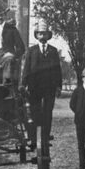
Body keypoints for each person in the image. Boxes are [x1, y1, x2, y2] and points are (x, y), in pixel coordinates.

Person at [20, 20, 63, 155]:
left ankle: (45, 137)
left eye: (44, 34)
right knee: (34, 113)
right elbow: (26, 69)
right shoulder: (31, 51)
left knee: (48, 113)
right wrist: (23, 84)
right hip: (34, 88)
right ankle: (34, 139)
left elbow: (57, 70)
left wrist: (59, 86)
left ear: (48, 35)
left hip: (49, 88)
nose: (42, 36)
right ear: (36, 35)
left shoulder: (53, 51)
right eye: (40, 34)